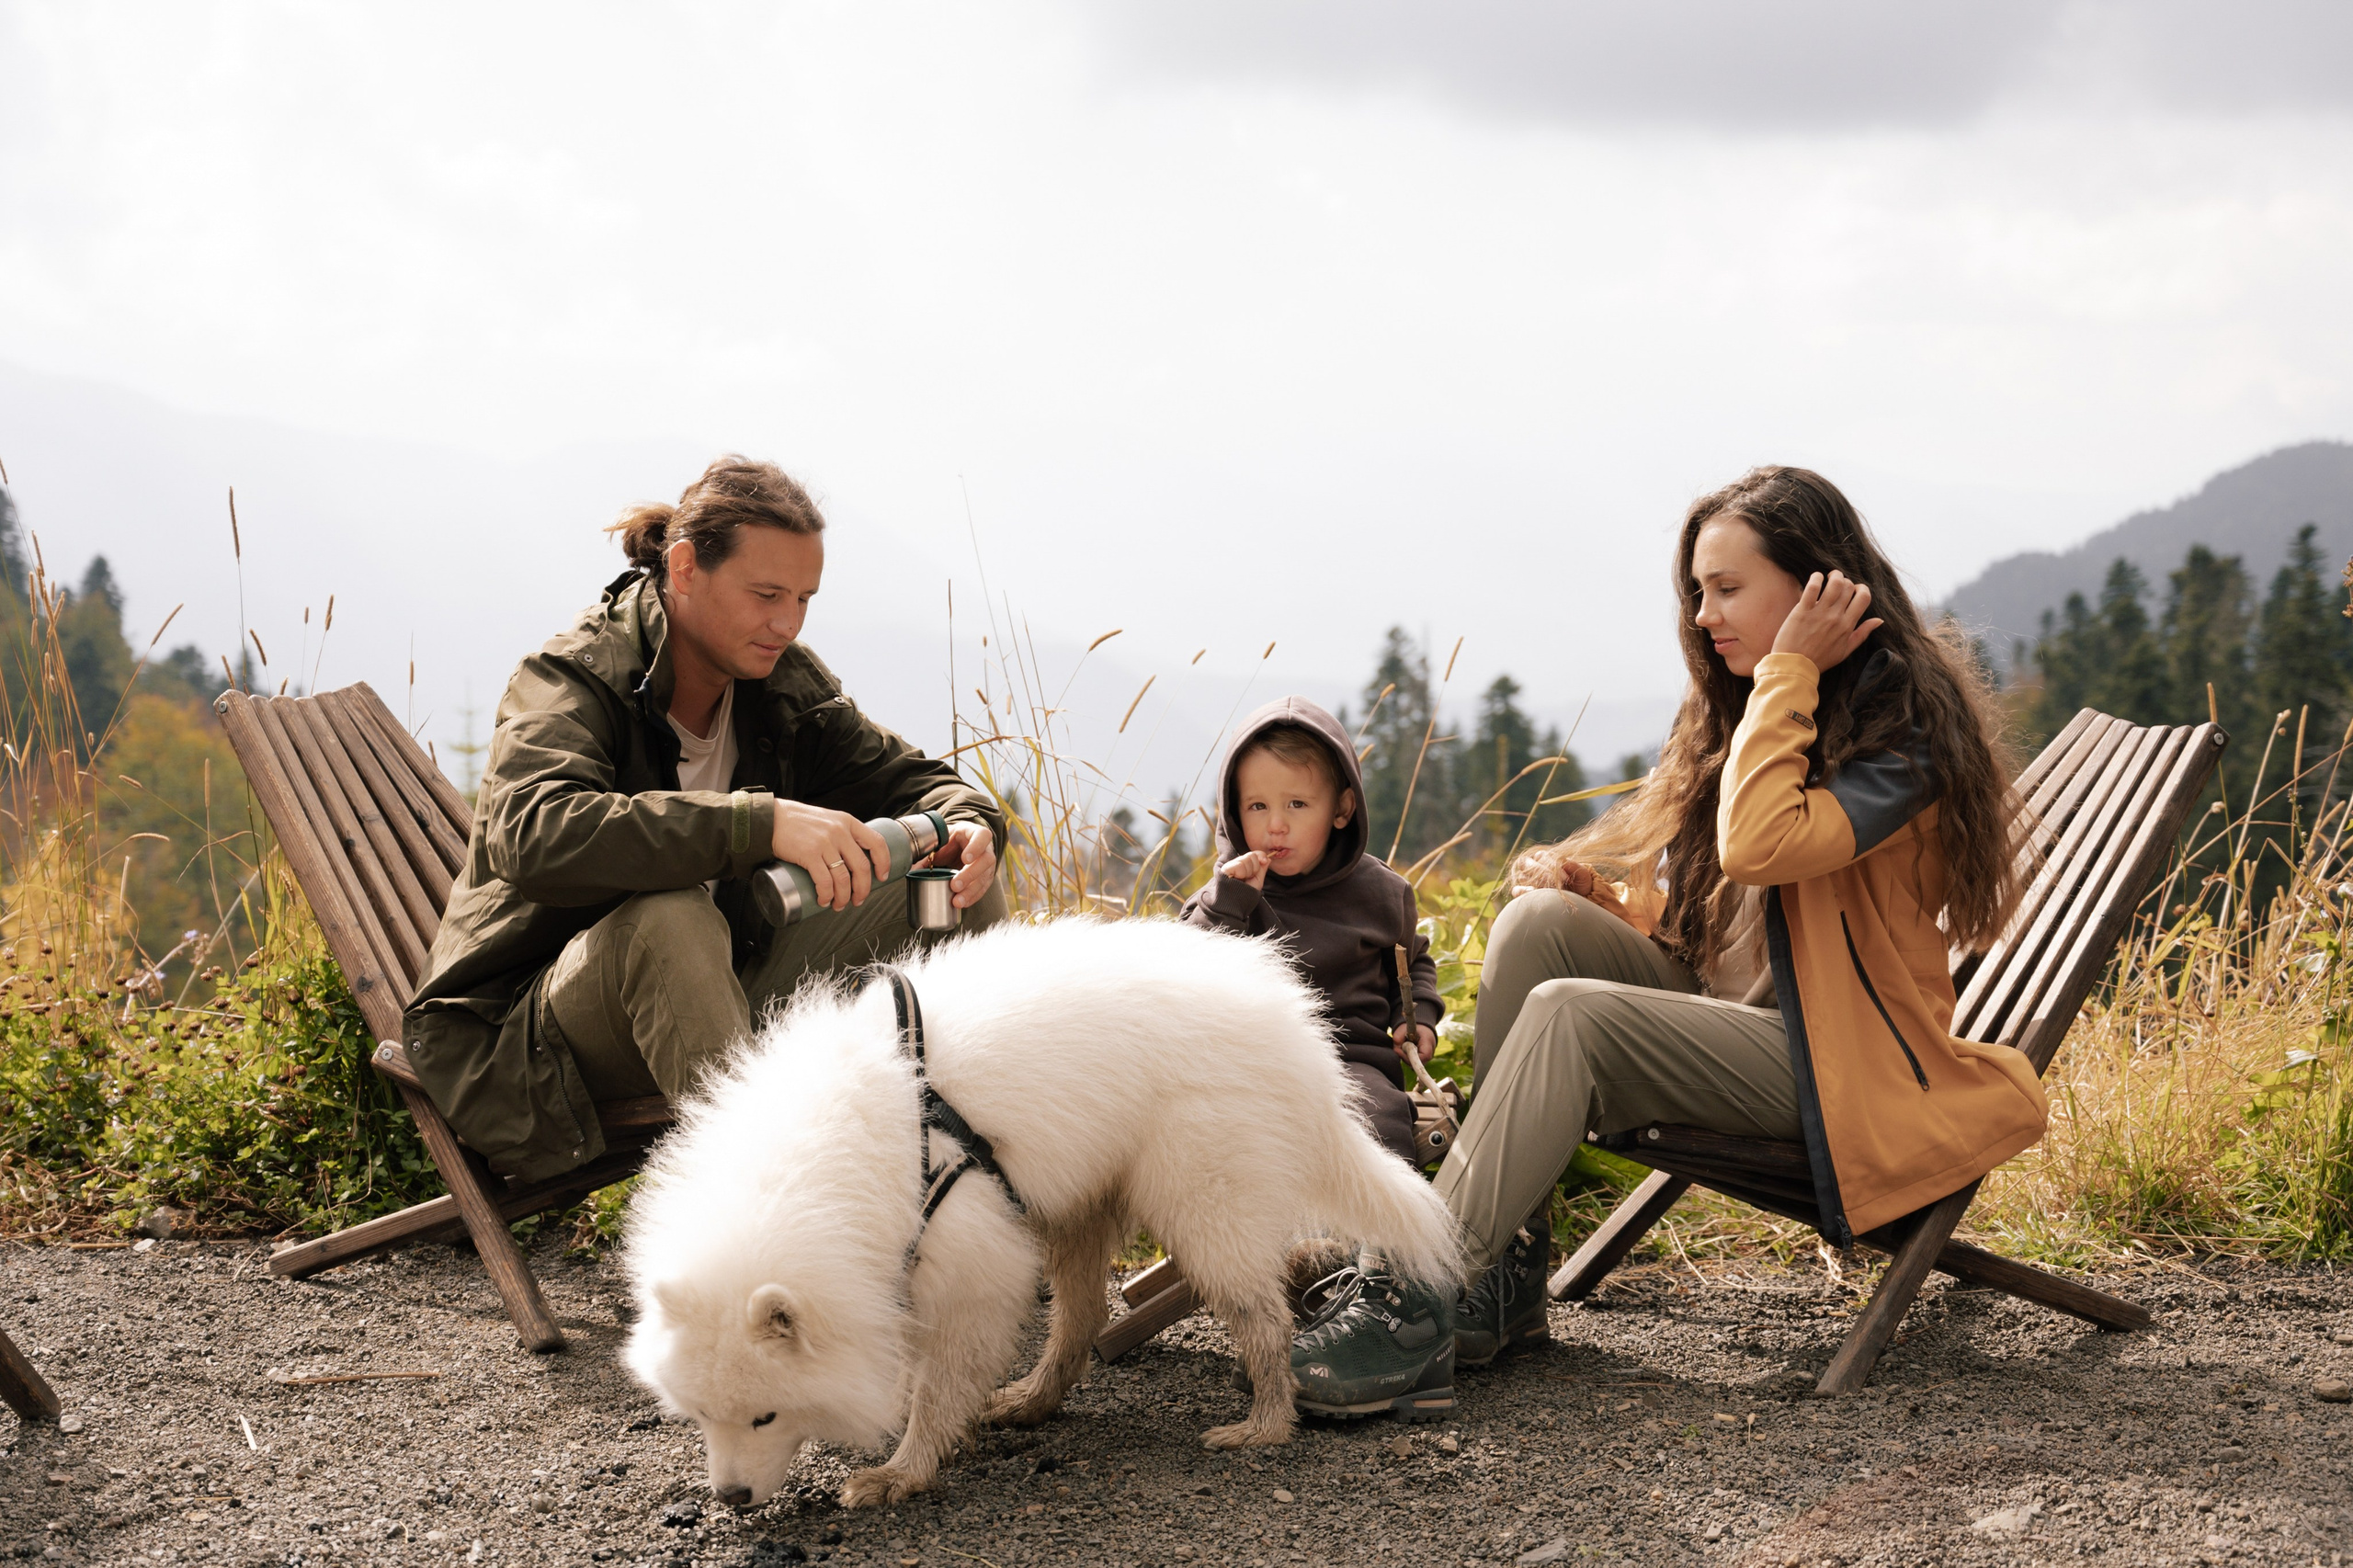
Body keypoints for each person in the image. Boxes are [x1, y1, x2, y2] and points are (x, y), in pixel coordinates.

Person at [1289, 466, 2044, 1420]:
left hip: (1836, 1069)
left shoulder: (1901, 735)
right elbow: (1734, 930)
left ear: (1817, 587)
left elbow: (1761, 842)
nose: (1702, 613)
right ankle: (1501, 1277)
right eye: (1696, 589)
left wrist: (1790, 668)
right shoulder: (1762, 707)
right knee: (1538, 927)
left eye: (1726, 588)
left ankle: (1414, 1296)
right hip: (1746, 1028)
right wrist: (1605, 902)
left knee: (1572, 1018)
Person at [404, 457, 1007, 1182]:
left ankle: (997, 1185)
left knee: (948, 875)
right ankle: (769, 1228)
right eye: (765, 594)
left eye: (804, 599)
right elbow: (534, 833)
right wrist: (756, 825)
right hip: (529, 1037)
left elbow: (919, 784)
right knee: (669, 916)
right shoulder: (571, 677)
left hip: (712, 991)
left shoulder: (779, 685)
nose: (786, 623)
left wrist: (970, 824)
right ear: (685, 568)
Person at [1181, 699, 1441, 1170]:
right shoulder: (1232, 891)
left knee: (1379, 1122)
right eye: (1257, 806)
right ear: (1234, 813)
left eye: (1297, 804)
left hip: (1352, 1061)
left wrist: (1417, 1014)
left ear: (1342, 808)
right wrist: (1231, 900)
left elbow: (1412, 960)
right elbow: (1186, 961)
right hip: (1252, 1067)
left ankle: (1379, 1238)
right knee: (1219, 1140)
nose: (1275, 824)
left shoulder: (1381, 893)